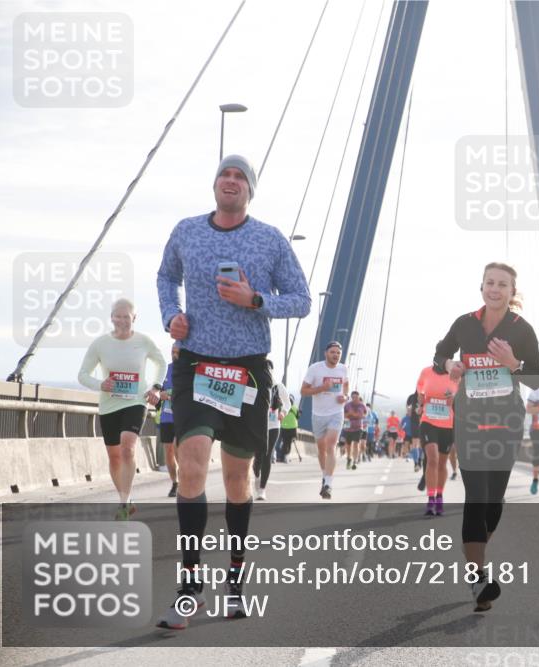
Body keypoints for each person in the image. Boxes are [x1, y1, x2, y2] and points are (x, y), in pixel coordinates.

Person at [155, 154, 312, 628]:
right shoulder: (187, 231)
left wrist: (255, 299)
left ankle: (236, 582)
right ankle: (189, 589)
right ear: (214, 184)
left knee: (238, 480)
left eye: (240, 176)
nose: (230, 180)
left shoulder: (270, 239)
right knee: (192, 465)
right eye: (224, 173)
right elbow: (166, 277)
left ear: (250, 190)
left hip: (246, 371)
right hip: (195, 365)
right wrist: (171, 315)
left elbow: (301, 300)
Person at [434, 262, 539, 612]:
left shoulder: (522, 329)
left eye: (502, 285)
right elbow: (440, 355)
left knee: (494, 502)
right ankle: (478, 575)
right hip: (469, 420)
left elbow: (536, 380)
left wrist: (513, 363)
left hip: (506, 422)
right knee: (476, 498)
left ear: (512, 292)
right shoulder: (464, 323)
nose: (495, 289)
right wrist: (449, 365)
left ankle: (476, 553)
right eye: (490, 283)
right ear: (481, 287)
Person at [78, 298, 166, 519]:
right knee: (115, 456)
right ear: (111, 318)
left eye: (126, 317)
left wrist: (156, 388)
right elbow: (83, 375)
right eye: (117, 316)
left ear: (134, 318)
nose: (122, 321)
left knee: (128, 448)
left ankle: (124, 504)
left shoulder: (144, 341)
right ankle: (125, 499)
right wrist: (101, 384)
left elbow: (161, 363)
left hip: (136, 402)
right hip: (109, 405)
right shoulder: (100, 344)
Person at [300, 341, 349, 499]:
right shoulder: (315, 368)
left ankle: (328, 483)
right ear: (326, 353)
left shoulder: (343, 369)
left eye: (338, 353)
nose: (336, 355)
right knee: (321, 450)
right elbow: (303, 391)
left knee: (331, 445)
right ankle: (324, 475)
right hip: (318, 415)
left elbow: (346, 385)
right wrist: (322, 388)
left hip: (336, 412)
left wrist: (345, 397)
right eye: (332, 352)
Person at [416, 364, 459, 516]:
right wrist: (420, 400)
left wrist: (454, 399)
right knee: (432, 459)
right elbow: (419, 391)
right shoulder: (426, 371)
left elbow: (464, 396)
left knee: (441, 463)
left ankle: (439, 496)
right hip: (428, 422)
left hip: (447, 425)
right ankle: (431, 499)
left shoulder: (456, 374)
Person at [253, 362, 288, 501]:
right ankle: (257, 476)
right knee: (257, 457)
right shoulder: (255, 384)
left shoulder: (278, 387)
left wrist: (283, 412)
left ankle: (262, 489)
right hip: (257, 425)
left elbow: (287, 403)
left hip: (273, 425)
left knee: (267, 455)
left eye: (269, 369)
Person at [158, 344, 180, 497]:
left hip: (183, 417)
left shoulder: (189, 370)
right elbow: (157, 390)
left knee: (179, 449)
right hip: (166, 417)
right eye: (172, 351)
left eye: (177, 352)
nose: (174, 354)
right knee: (168, 451)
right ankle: (175, 482)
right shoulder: (166, 369)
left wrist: (172, 394)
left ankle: (185, 480)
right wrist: (160, 394)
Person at [342, 391, 367, 470]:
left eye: (356, 397)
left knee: (356, 443)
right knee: (348, 444)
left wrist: (351, 414)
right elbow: (343, 415)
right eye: (353, 397)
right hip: (347, 426)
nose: (354, 399)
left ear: (358, 397)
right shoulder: (347, 405)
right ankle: (349, 458)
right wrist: (351, 414)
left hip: (358, 427)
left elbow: (362, 415)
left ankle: (355, 461)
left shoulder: (362, 405)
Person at [278, 395, 299, 462]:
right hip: (293, 428)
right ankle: (285, 456)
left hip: (284, 427)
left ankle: (281, 456)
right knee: (289, 443)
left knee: (284, 442)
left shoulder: (283, 407)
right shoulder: (295, 408)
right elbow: (298, 417)